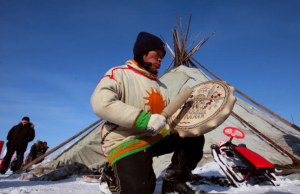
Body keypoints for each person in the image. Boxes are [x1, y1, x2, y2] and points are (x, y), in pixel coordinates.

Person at [91, 32, 205, 194]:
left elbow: (163, 117)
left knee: (192, 134)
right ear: (142, 53)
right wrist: (144, 119)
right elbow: (101, 104)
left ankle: (173, 181)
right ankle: (111, 173)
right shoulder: (119, 74)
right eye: (156, 55)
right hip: (125, 139)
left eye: (162, 57)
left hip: (154, 136)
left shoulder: (161, 86)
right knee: (140, 190)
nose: (160, 59)